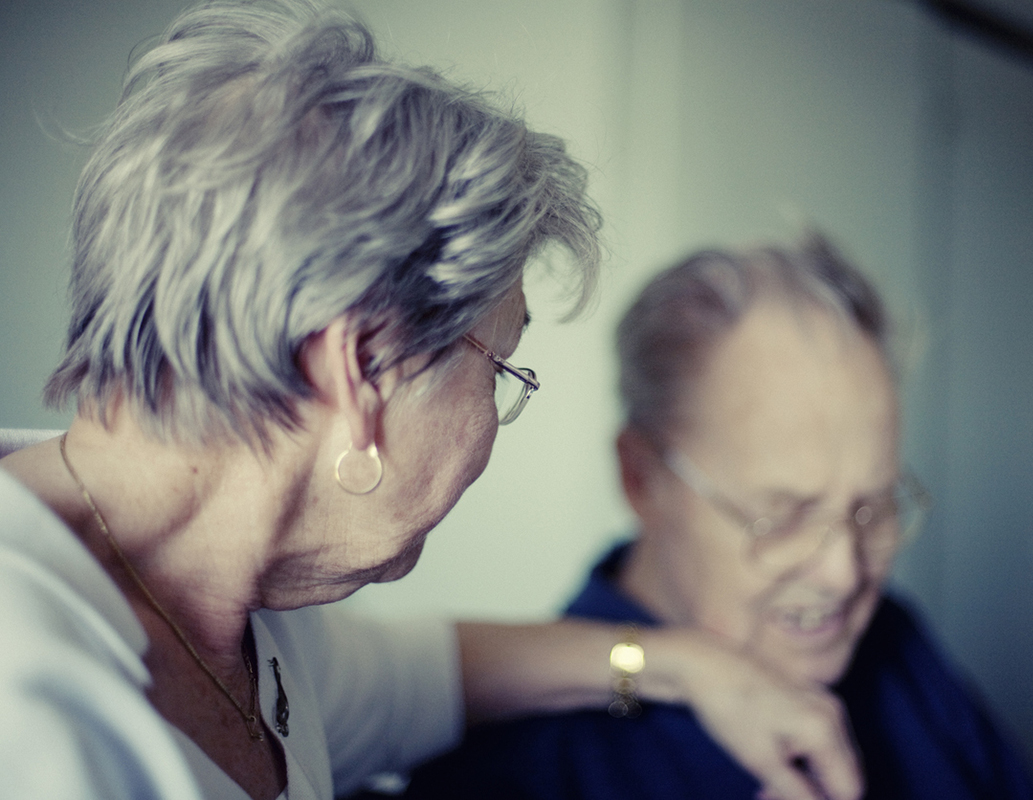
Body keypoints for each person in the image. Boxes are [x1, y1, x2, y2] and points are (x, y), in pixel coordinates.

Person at [0, 3, 862, 799]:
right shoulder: (31, 724)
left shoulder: (226, 606)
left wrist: (688, 667)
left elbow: (424, 673)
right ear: (363, 369)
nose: (495, 415)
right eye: (498, 366)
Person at [403, 238, 1033, 799]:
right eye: (784, 515)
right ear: (643, 478)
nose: (844, 573)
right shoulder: (510, 772)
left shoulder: (896, 644)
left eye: (873, 509)